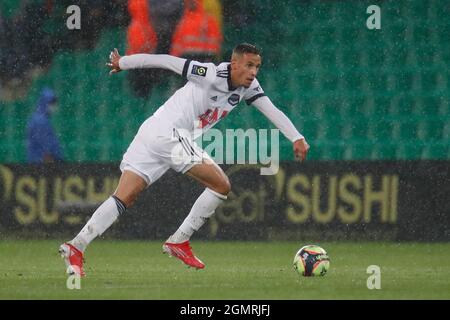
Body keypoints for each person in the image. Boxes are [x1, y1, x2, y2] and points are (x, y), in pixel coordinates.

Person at [59, 43, 310, 276]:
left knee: (123, 196)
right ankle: (179, 240)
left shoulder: (249, 88)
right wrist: (124, 62)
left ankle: (76, 246)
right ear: (234, 64)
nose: (253, 72)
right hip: (168, 134)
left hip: (153, 133)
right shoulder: (210, 74)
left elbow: (271, 110)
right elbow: (166, 61)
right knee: (221, 185)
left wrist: (296, 137)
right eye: (249, 65)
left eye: (257, 67)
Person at [26, 87, 63, 163]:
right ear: (45, 103)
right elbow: (46, 145)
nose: (54, 106)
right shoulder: (40, 121)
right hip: (41, 164)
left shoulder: (40, 119)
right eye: (52, 103)